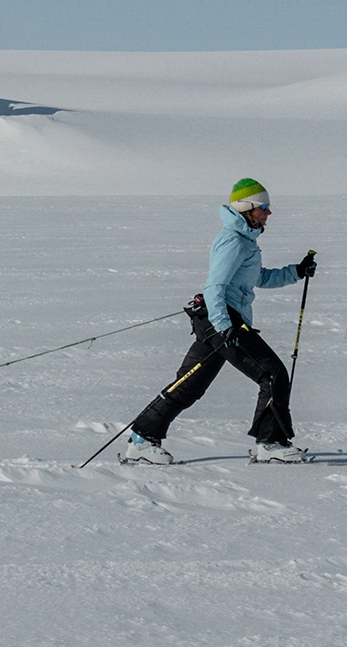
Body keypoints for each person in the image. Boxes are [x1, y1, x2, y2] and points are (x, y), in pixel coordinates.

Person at [122, 178, 316, 465]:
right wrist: (225, 328)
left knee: (189, 384)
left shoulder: (245, 240)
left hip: (218, 320)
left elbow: (258, 278)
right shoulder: (234, 240)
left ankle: (142, 437)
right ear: (248, 208)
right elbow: (215, 287)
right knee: (272, 374)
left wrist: (297, 272)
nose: (269, 212)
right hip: (224, 320)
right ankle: (271, 443)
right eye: (264, 206)